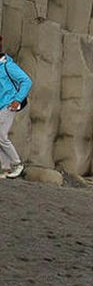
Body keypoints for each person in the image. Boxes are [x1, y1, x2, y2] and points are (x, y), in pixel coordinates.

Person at [0, 34, 33, 179]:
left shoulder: (8, 65)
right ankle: (6, 169)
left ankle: (17, 164)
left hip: (8, 105)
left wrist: (17, 99)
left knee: (1, 136)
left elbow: (26, 81)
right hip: (1, 105)